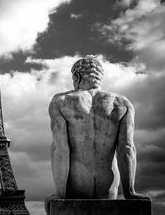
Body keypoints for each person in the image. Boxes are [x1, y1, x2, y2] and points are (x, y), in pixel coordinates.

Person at [46, 55, 149, 214]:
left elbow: (60, 149)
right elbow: (127, 149)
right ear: (99, 77)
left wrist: (59, 193)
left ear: (77, 76)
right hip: (108, 186)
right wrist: (130, 192)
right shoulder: (122, 103)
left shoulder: (61, 101)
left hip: (76, 184)